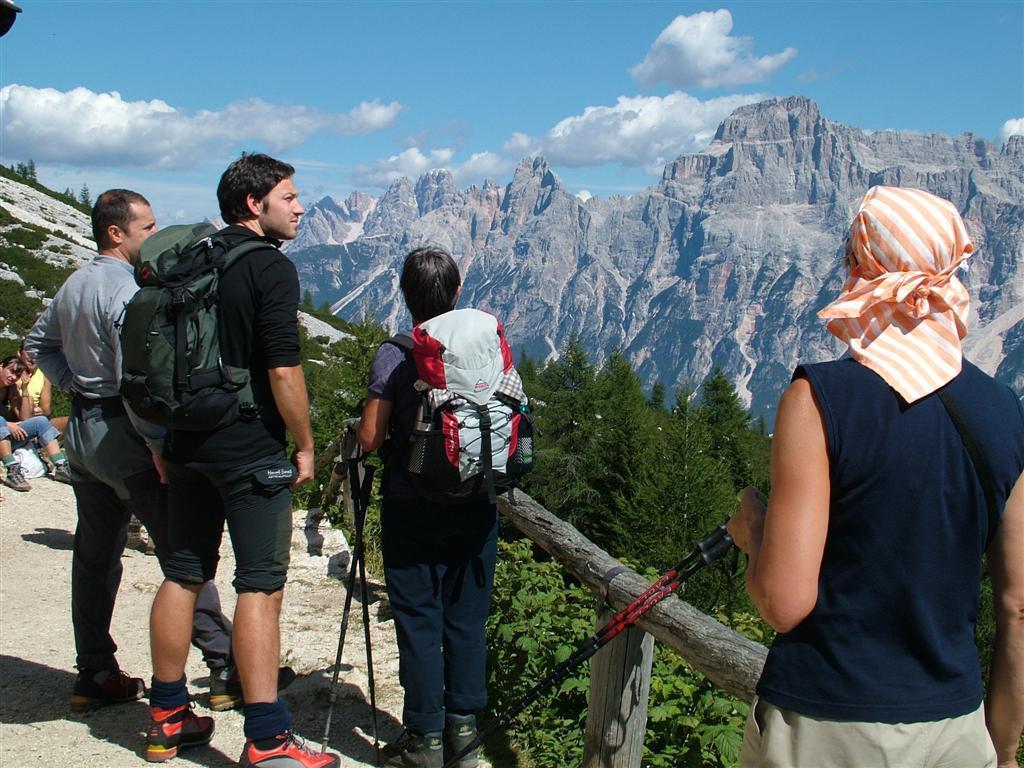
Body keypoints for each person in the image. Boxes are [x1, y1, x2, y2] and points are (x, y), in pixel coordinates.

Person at [726, 186, 1024, 768]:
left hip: (830, 723)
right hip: (957, 732)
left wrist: (754, 531)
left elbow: (784, 602)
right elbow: (1017, 607)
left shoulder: (818, 399)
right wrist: (1006, 751)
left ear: (861, 269)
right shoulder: (1004, 410)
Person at [148, 153, 337, 768]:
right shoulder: (269, 267)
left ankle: (167, 716)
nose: (301, 207)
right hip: (248, 447)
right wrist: (305, 443)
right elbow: (283, 369)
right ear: (255, 205)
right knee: (260, 585)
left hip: (184, 442)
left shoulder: (191, 259)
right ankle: (268, 739)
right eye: (289, 197)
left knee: (183, 573)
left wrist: (159, 442)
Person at [24, 190, 238, 727]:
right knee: (182, 552)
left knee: (95, 553)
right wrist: (157, 445)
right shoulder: (126, 291)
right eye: (147, 227)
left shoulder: (74, 283)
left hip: (83, 431)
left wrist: (77, 386)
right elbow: (135, 376)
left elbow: (37, 343)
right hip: (125, 433)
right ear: (116, 233)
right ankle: (224, 666)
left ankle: (95, 671)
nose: (154, 236)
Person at [357, 247, 499, 768]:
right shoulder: (485, 348)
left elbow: (370, 438)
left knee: (419, 619)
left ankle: (425, 740)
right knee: (467, 620)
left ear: (404, 295)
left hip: (411, 506)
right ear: (457, 292)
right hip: (477, 503)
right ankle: (464, 736)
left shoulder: (395, 354)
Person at [0, 354, 70, 490]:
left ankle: (61, 466)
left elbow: (25, 418)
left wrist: (25, 388)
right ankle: (12, 470)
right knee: (1, 420)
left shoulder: (11, 388)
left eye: (17, 375)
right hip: (3, 427)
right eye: (11, 371)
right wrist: (8, 424)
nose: (13, 377)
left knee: (40, 421)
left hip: (3, 437)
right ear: (1, 366)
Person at [17, 339, 68, 433]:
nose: (32, 357)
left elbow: (46, 409)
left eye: (37, 353)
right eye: (29, 352)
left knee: (70, 421)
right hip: (16, 417)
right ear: (19, 353)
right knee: (29, 402)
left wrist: (40, 411)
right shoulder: (11, 374)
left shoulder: (43, 375)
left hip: (36, 417)